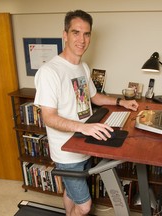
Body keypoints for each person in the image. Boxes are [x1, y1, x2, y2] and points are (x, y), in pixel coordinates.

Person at [34, 10, 139, 216]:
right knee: (85, 206)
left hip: (84, 143)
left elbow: (94, 97)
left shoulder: (82, 66)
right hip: (66, 151)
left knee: (72, 193)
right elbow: (49, 117)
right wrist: (85, 127)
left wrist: (121, 102)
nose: (82, 39)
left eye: (87, 34)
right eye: (76, 32)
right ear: (65, 35)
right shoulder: (49, 72)